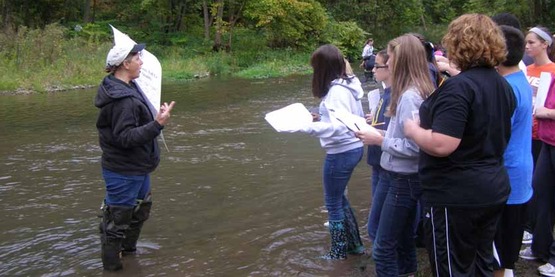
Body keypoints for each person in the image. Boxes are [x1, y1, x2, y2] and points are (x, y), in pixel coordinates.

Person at [403, 14, 515, 276]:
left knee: (452, 267)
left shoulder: (460, 88)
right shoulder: (501, 84)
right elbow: (480, 128)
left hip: (456, 195)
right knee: (481, 260)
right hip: (492, 186)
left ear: (457, 43)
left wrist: (414, 130)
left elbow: (443, 145)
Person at [356, 34, 435, 276]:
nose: (387, 63)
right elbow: (406, 133)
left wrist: (380, 140)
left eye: (390, 58)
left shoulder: (410, 96)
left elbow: (416, 146)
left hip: (404, 178)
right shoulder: (413, 89)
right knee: (402, 239)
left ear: (402, 61)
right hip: (402, 175)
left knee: (382, 248)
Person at [95, 41, 176, 271]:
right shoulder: (123, 100)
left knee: (140, 211)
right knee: (117, 222)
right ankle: (112, 269)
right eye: (137, 58)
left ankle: (129, 256)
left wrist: (154, 118)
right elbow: (125, 138)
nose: (142, 62)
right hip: (123, 171)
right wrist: (158, 124)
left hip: (138, 168)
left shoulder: (130, 85)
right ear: (125, 63)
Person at [300, 44, 365, 259]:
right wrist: (321, 118)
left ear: (322, 68)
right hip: (351, 148)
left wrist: (306, 127)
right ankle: (354, 245)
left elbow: (339, 128)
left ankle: (338, 252)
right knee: (340, 199)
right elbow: (341, 119)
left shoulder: (336, 92)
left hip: (342, 151)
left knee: (333, 203)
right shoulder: (346, 85)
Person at [492, 25, 533, 277]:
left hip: (507, 177)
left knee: (500, 252)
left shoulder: (506, 89)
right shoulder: (519, 79)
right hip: (519, 173)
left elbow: (494, 139)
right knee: (506, 252)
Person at [518, 26, 555, 253]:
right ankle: (535, 236)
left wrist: (546, 113)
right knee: (535, 185)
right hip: (527, 133)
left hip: (544, 135)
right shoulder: (525, 69)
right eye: (526, 43)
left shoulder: (552, 70)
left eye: (532, 42)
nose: (527, 47)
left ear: (545, 44)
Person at [528, 75, 555, 277]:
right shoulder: (551, 76)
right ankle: (540, 247)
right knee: (541, 193)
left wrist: (547, 112)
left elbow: (543, 109)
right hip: (547, 141)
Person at [365, 50, 392, 242]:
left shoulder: (394, 96)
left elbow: (393, 134)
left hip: (385, 163)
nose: (373, 70)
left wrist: (375, 134)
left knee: (377, 225)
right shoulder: (386, 93)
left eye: (377, 66)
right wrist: (372, 119)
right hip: (378, 161)